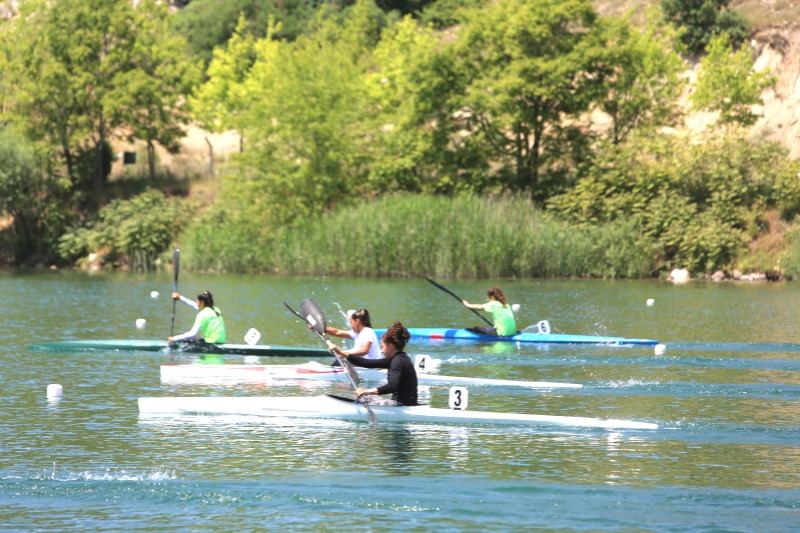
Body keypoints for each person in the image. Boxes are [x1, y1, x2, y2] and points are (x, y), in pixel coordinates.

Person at [328, 321, 418, 406]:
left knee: (367, 397)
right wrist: (342, 353)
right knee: (366, 397)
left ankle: (350, 408)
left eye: (383, 346)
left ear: (390, 347)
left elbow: (392, 386)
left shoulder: (397, 361)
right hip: (404, 403)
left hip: (402, 405)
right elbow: (367, 363)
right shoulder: (398, 358)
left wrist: (367, 391)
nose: (382, 350)